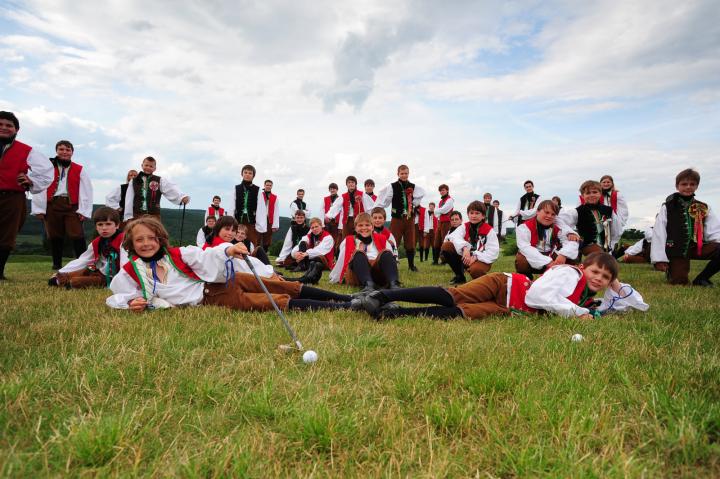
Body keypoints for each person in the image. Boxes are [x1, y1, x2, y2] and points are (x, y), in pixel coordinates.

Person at [106, 217, 356, 312]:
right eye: (140, 240)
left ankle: (348, 299)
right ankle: (348, 309)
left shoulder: (177, 254)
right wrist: (129, 302)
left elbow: (207, 256)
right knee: (272, 301)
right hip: (212, 299)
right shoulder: (131, 272)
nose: (147, 243)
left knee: (284, 286)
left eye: (151, 238)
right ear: (131, 243)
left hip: (224, 281)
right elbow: (114, 297)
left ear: (160, 239)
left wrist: (229, 248)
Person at [360, 253, 648, 320]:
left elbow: (636, 304)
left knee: (464, 312)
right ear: (584, 267)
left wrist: (618, 283)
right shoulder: (571, 274)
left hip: (508, 307)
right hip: (504, 286)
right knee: (454, 295)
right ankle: (381, 294)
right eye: (595, 271)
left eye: (605, 278)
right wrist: (577, 313)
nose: (598, 279)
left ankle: (393, 313)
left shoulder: (591, 291)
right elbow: (537, 295)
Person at [0, 111, 53, 280]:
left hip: (12, 197)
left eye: (9, 125)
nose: (4, 128)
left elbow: (46, 171)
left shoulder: (26, 150)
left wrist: (31, 180)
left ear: (16, 129)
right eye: (0, 124)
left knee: (7, 235)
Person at [651, 168, 720, 286]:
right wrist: (659, 258)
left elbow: (714, 230)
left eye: (692, 184)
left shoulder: (703, 207)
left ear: (697, 186)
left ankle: (702, 278)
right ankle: (672, 270)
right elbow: (659, 232)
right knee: (679, 283)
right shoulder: (667, 207)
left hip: (697, 247)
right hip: (676, 249)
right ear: (677, 186)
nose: (688, 187)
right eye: (684, 184)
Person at [32, 140, 94, 270]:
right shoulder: (48, 167)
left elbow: (86, 190)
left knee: (77, 234)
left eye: (67, 150)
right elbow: (39, 185)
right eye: (61, 149)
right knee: (54, 235)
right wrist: (39, 208)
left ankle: (81, 264)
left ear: (72, 152)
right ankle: (56, 264)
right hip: (52, 204)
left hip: (71, 205)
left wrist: (84, 210)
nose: (64, 152)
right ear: (56, 151)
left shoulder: (79, 169)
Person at [49, 207, 127, 288]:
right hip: (99, 271)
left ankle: (72, 283)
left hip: (114, 276)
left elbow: (127, 264)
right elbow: (83, 260)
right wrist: (62, 271)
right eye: (100, 224)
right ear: (96, 227)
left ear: (117, 225)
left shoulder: (124, 240)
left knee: (76, 282)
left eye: (108, 224)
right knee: (88, 268)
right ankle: (64, 278)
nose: (104, 228)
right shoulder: (97, 242)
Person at [329, 213, 401, 291]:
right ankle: (368, 285)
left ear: (372, 227)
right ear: (355, 228)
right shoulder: (348, 240)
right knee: (358, 253)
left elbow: (390, 260)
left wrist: (392, 274)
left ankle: (394, 284)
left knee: (387, 253)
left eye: (367, 225)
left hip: (378, 274)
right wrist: (335, 278)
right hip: (357, 274)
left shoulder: (382, 239)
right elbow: (341, 261)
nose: (364, 228)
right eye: (360, 225)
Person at [373, 164, 425, 272]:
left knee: (410, 242)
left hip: (409, 219)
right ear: (398, 174)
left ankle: (411, 266)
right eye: (402, 173)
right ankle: (390, 265)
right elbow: (384, 200)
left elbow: (420, 195)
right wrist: (377, 210)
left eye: (406, 173)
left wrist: (415, 203)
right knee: (392, 240)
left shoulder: (413, 186)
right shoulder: (392, 186)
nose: (404, 175)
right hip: (396, 219)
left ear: (408, 174)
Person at [515, 200, 579, 280]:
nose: (549, 216)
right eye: (546, 212)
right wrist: (547, 262)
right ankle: (526, 280)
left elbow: (572, 243)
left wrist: (563, 254)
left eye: (553, 214)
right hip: (534, 258)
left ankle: (563, 280)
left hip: (551, 255)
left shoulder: (558, 227)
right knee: (521, 260)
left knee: (571, 257)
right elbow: (525, 248)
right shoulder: (524, 227)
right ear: (537, 212)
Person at [558, 180, 621, 259]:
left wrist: (611, 245)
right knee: (601, 257)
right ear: (582, 195)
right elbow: (559, 221)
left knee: (608, 263)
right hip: (586, 245)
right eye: (588, 193)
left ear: (600, 193)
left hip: (606, 247)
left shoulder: (609, 210)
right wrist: (570, 232)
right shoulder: (577, 211)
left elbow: (616, 230)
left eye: (595, 192)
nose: (592, 195)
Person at [441, 201, 500, 285]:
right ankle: (460, 276)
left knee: (476, 270)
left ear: (483, 216)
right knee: (447, 246)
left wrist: (476, 256)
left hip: (481, 259)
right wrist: (465, 248)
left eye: (477, 213)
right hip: (466, 256)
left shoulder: (489, 230)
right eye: (471, 213)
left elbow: (493, 252)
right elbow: (452, 237)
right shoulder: (464, 226)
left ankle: (482, 283)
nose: (474, 216)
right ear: (468, 215)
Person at [123, 156, 189, 221]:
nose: (148, 167)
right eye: (146, 165)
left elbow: (171, 188)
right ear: (142, 165)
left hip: (154, 216)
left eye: (151, 166)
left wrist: (182, 197)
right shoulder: (134, 181)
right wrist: (128, 216)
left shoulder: (159, 180)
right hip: (137, 215)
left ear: (155, 168)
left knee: (157, 231)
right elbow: (129, 198)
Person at [289, 217, 335, 284]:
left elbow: (320, 250)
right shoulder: (310, 236)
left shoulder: (328, 237)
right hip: (312, 260)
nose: (314, 229)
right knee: (303, 243)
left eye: (316, 226)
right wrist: (296, 253)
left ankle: (306, 278)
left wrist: (305, 253)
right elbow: (300, 243)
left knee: (317, 258)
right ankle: (302, 266)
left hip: (325, 261)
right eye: (312, 228)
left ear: (321, 226)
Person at [232, 164, 267, 246]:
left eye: (250, 173)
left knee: (252, 241)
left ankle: (251, 257)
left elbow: (260, 208)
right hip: (238, 220)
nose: (247, 175)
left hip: (251, 220)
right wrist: (231, 220)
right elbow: (232, 205)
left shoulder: (257, 190)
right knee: (234, 240)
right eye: (245, 172)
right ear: (242, 174)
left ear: (253, 176)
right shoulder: (236, 188)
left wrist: (259, 225)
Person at [433, 184, 454, 264]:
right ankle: (435, 261)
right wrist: (438, 211)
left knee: (444, 242)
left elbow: (444, 210)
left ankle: (444, 260)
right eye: (440, 191)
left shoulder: (450, 200)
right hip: (440, 222)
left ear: (447, 190)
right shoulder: (441, 201)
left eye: (443, 190)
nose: (442, 192)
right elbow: (438, 214)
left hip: (447, 223)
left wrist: (436, 210)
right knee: (436, 241)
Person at [259, 180, 279, 251]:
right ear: (264, 185)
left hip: (269, 219)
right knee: (258, 235)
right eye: (267, 185)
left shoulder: (274, 197)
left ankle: (264, 252)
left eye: (270, 185)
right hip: (259, 219)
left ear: (272, 186)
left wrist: (275, 225)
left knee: (267, 238)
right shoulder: (260, 195)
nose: (268, 186)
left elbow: (276, 211)